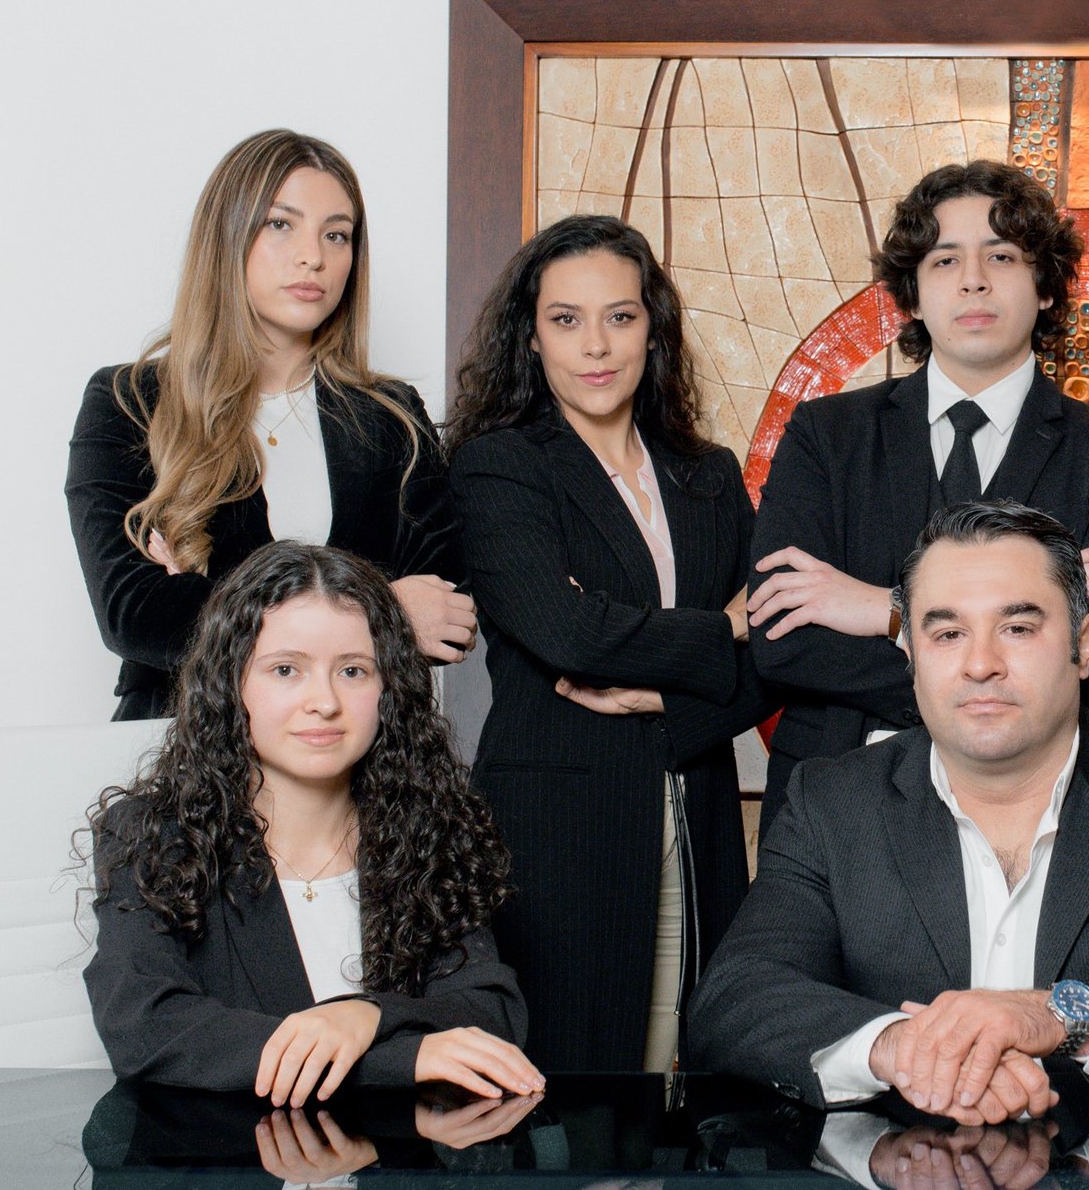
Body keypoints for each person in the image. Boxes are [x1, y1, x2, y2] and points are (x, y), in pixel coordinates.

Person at [689, 501, 1089, 1119]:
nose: (980, 664)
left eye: (1018, 628)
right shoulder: (829, 801)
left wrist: (1055, 1015)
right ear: (909, 652)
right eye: (946, 633)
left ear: (1084, 644)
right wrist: (899, 1047)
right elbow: (738, 997)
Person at [746, 160, 1089, 826]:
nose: (974, 278)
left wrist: (885, 611)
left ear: (1044, 288)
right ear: (912, 295)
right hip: (834, 807)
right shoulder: (825, 436)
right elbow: (782, 639)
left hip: (1042, 819)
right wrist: (1023, 647)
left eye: (1001, 255)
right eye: (945, 260)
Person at [446, 215, 772, 1071]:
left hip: (697, 812)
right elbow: (565, 631)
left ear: (653, 328)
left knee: (693, 1076)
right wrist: (722, 628)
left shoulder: (708, 473)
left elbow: (779, 651)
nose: (596, 345)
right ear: (530, 335)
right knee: (561, 1089)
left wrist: (675, 691)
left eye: (621, 317)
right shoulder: (500, 466)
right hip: (556, 831)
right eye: (566, 319)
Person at [84, 541, 537, 1104]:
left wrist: (366, 1015)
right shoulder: (151, 835)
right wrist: (398, 1051)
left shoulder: (431, 827)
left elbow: (490, 1012)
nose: (323, 701)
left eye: (352, 670)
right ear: (232, 683)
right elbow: (146, 1027)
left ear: (388, 687)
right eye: (285, 670)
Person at [67, 128, 474, 720]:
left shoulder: (389, 414)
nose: (314, 255)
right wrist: (381, 608)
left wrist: (212, 599)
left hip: (355, 767)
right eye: (281, 224)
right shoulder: (131, 401)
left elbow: (446, 614)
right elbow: (137, 614)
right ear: (227, 235)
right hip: (187, 757)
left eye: (337, 234)